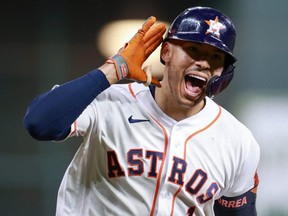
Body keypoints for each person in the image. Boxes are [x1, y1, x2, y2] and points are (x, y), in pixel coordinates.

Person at [23, 6, 260, 216]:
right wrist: (112, 71)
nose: (204, 63)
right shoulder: (111, 101)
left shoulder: (237, 141)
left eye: (216, 57)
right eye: (193, 50)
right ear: (166, 52)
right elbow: (40, 122)